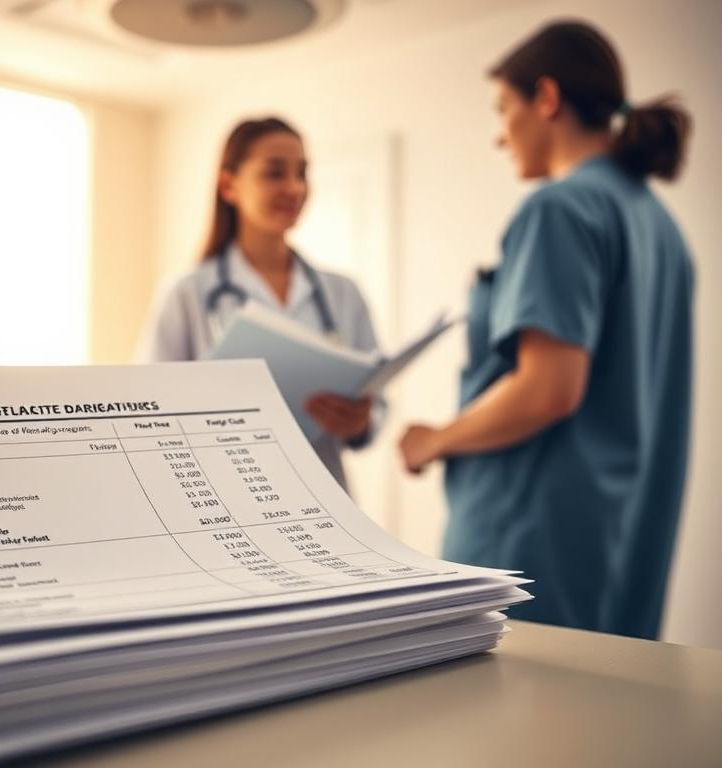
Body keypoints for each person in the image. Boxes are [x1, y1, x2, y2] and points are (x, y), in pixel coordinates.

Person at [398, 21, 693, 639]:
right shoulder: (662, 230)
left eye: (504, 107)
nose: (500, 134)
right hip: (620, 544)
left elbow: (549, 388)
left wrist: (436, 440)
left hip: (531, 544)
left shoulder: (559, 209)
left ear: (548, 99)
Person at [138, 117, 381, 491]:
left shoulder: (342, 292)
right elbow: (148, 410)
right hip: (227, 493)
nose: (295, 188)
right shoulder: (187, 293)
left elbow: (375, 402)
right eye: (274, 173)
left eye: (302, 173)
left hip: (325, 494)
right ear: (229, 185)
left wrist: (359, 422)